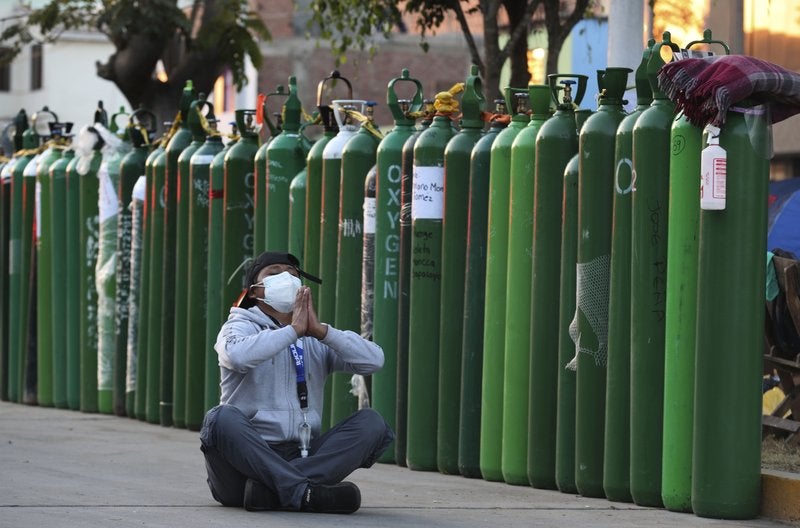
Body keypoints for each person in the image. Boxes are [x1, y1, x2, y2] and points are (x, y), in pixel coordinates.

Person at [199, 251, 394, 514]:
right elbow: (236, 356)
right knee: (219, 418)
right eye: (274, 273)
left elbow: (374, 361)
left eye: (292, 274)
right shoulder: (239, 326)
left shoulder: (315, 336)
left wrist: (322, 332)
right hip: (243, 461)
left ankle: (278, 491)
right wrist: (292, 332)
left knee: (372, 423)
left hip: (300, 453)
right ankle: (304, 491)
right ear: (255, 291)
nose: (285, 278)